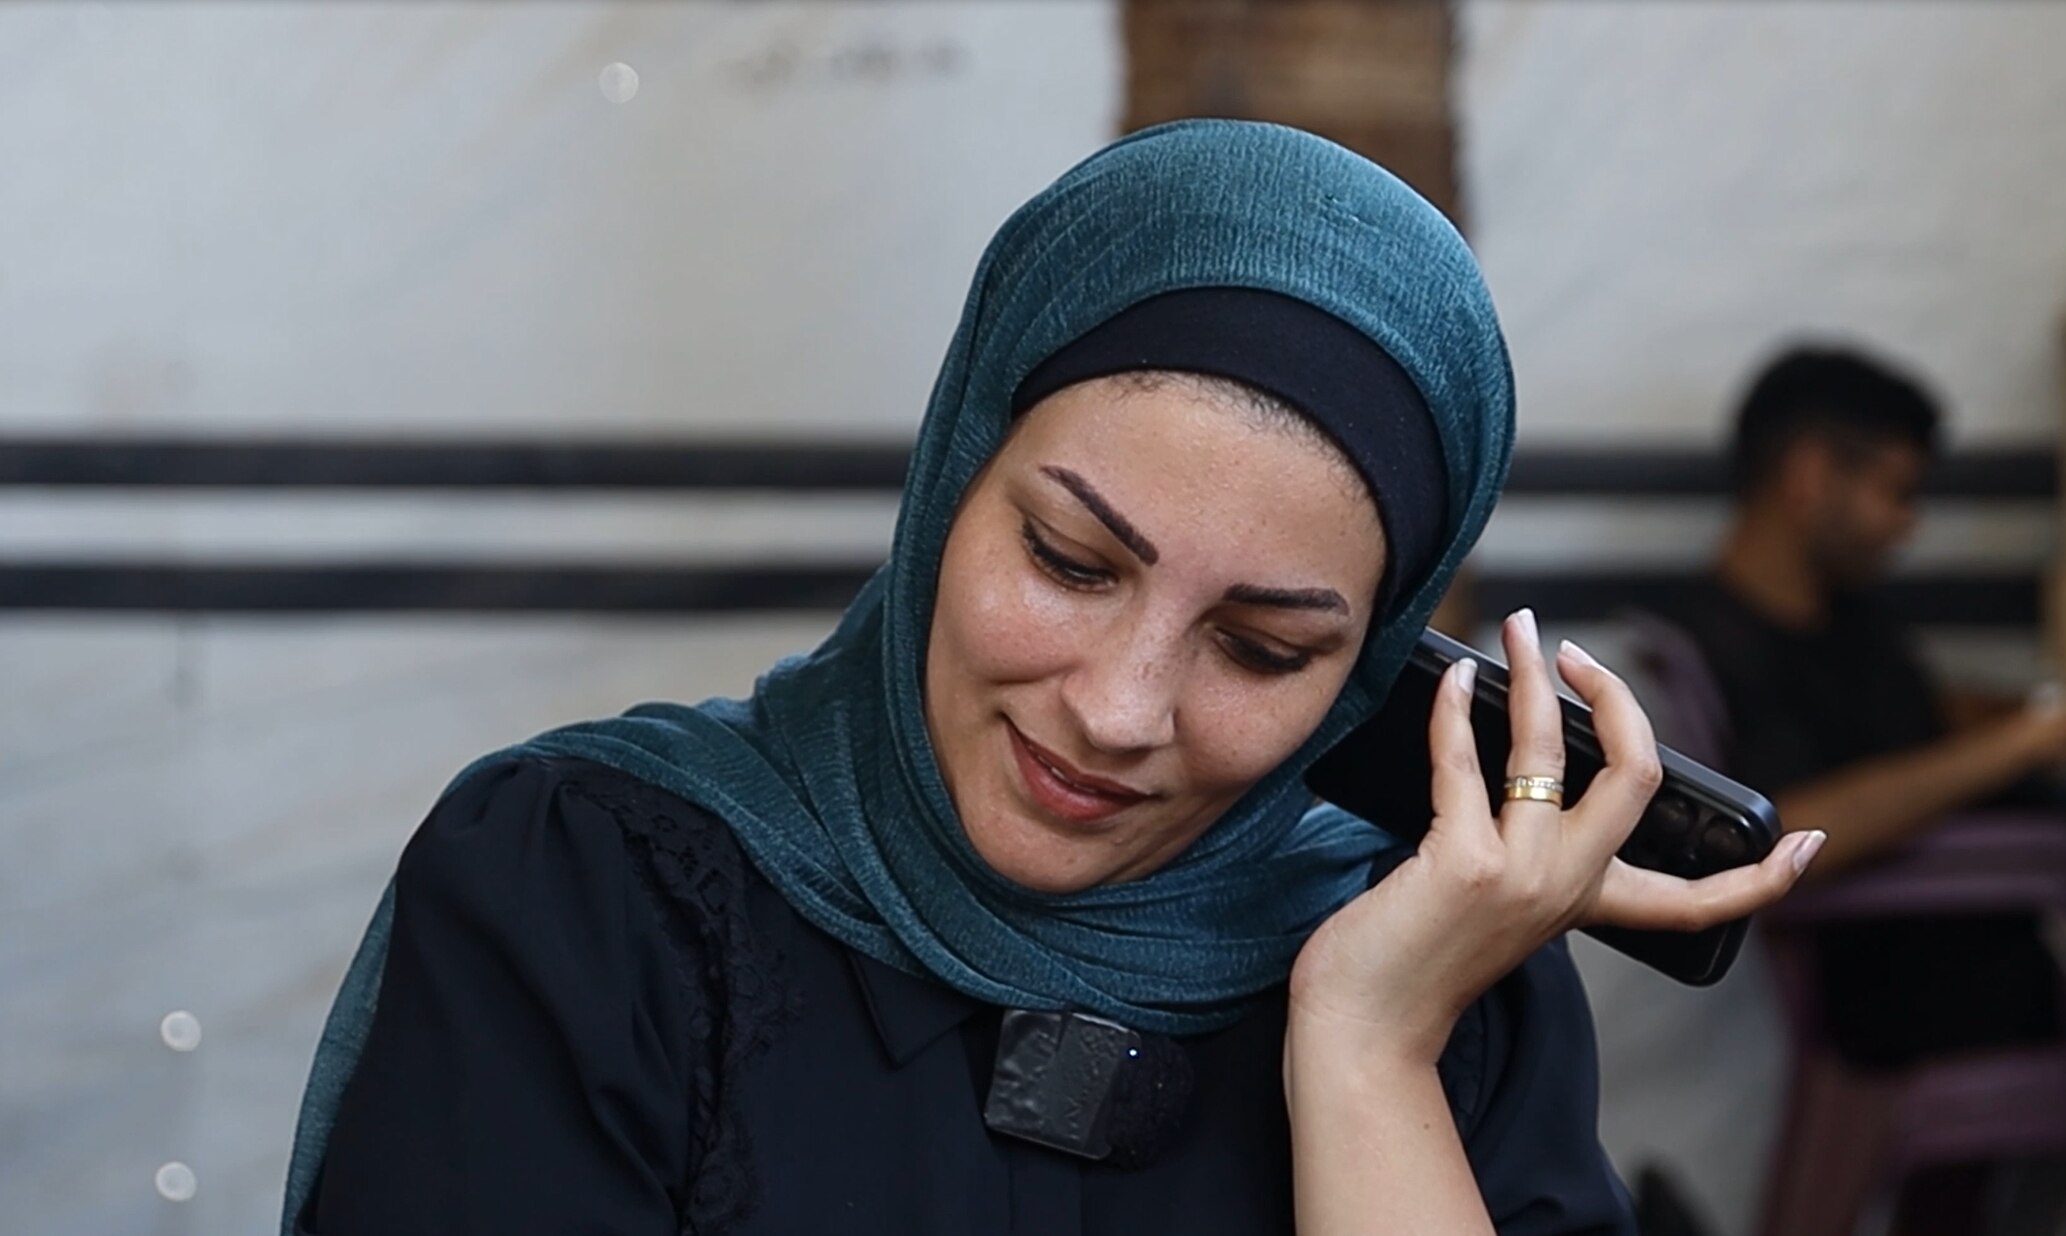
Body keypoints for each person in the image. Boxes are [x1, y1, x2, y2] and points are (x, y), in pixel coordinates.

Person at [281, 120, 1818, 1236]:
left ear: (1371, 668)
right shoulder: (594, 890)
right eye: (1074, 563)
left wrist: (1364, 1054)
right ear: (955, 476)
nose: (1117, 709)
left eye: (1265, 649)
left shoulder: (1441, 965)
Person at [1667, 343, 2066, 1067]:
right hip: (1913, 975)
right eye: (1896, 493)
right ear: (1808, 476)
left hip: (1962, 938)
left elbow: (1921, 715)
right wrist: (2039, 734)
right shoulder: (1728, 644)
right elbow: (1788, 832)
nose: (1906, 524)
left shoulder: (1838, 618)